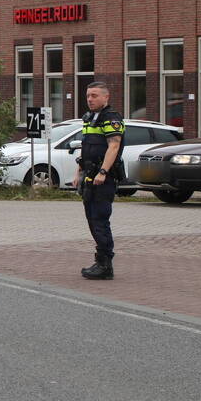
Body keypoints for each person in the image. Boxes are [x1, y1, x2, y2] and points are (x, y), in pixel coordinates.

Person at [72, 82, 125, 280]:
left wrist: (103, 172)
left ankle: (105, 265)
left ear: (106, 97)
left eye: (94, 95)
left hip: (103, 179)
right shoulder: (89, 119)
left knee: (100, 220)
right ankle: (100, 261)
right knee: (92, 220)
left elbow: (114, 146)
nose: (90, 99)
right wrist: (78, 172)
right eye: (88, 95)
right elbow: (86, 150)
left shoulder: (111, 118)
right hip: (89, 176)